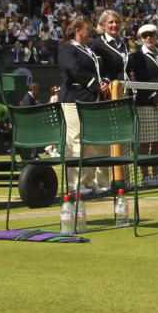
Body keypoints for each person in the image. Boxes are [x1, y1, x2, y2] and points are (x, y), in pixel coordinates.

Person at [59, 16, 111, 196]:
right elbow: (74, 70)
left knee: (90, 143)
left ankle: (88, 183)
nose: (91, 32)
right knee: (76, 140)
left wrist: (104, 81)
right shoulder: (67, 49)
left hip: (91, 100)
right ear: (78, 30)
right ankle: (75, 185)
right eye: (88, 29)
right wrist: (95, 85)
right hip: (73, 99)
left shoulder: (90, 50)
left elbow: (102, 71)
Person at [129, 23, 158, 186]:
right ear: (141, 39)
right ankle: (146, 176)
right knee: (145, 142)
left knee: (157, 142)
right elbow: (143, 80)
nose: (148, 38)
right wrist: (157, 101)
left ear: (157, 37)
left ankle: (156, 175)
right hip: (145, 105)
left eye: (151, 35)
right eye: (145, 35)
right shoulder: (137, 57)